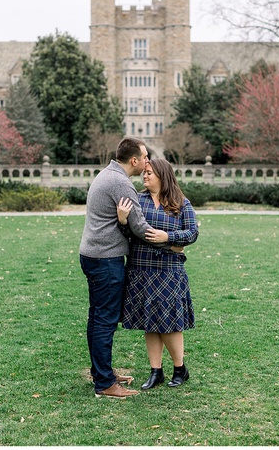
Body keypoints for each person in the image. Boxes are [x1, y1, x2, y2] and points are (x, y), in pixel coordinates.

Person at [79, 137, 173, 399]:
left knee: (98, 317)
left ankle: (102, 373)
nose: (146, 163)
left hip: (93, 254)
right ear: (134, 160)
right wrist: (171, 240)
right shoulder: (120, 183)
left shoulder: (108, 174)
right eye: (144, 158)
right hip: (105, 259)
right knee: (104, 320)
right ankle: (105, 384)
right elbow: (139, 227)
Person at [117, 158, 199, 390]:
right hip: (140, 269)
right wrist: (123, 221)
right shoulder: (138, 200)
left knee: (170, 322)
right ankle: (156, 372)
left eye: (150, 173)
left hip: (169, 271)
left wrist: (169, 238)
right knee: (149, 322)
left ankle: (180, 368)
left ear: (163, 176)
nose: (145, 176)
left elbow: (192, 233)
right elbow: (130, 235)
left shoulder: (181, 203)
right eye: (144, 173)